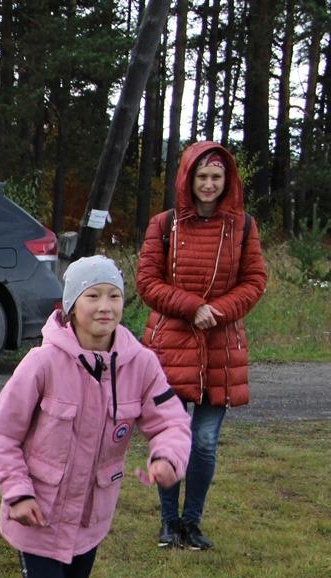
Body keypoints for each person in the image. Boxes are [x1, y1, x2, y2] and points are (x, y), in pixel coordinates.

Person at [0, 256, 190, 578]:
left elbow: (170, 420)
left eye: (113, 295)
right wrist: (17, 492)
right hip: (39, 506)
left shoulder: (140, 363)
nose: (104, 306)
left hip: (92, 512)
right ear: (72, 306)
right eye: (92, 296)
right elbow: (1, 432)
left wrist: (167, 457)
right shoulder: (42, 363)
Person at [137, 141, 267, 551]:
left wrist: (219, 311)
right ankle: (167, 522)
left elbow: (254, 281)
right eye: (202, 177)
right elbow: (147, 282)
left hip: (220, 350)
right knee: (169, 439)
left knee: (205, 441)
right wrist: (192, 308)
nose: (208, 184)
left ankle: (191, 523)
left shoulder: (244, 226)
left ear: (227, 181)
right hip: (171, 347)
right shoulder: (163, 225)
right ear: (188, 179)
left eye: (216, 177)